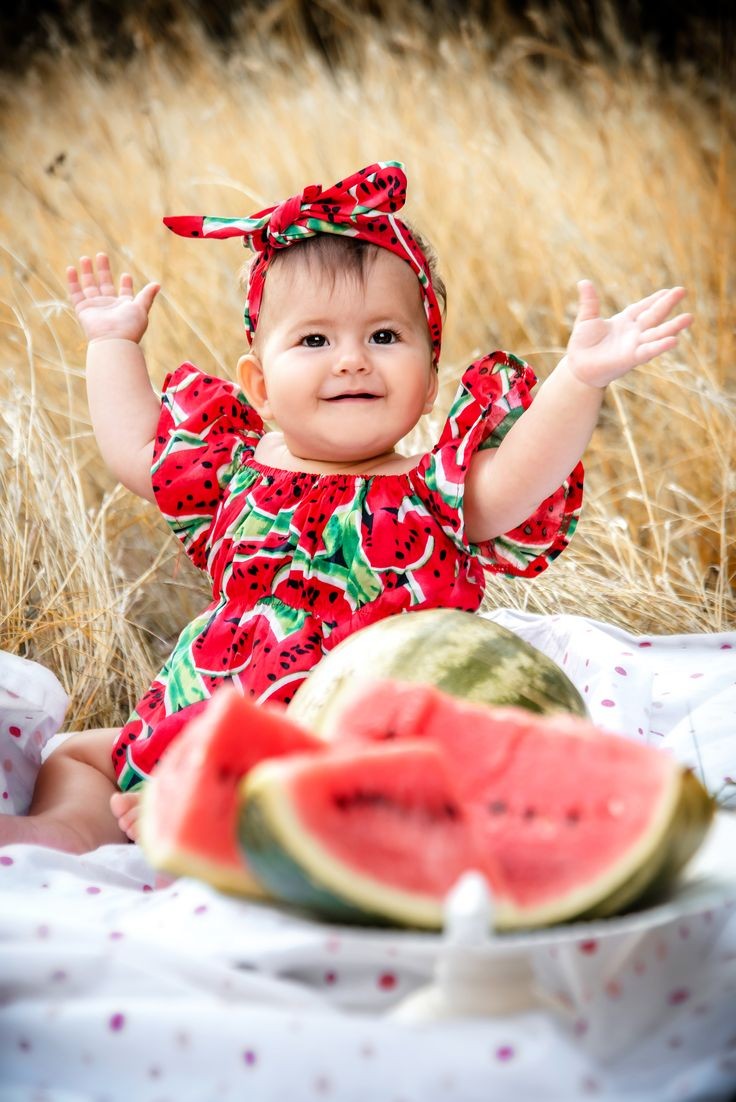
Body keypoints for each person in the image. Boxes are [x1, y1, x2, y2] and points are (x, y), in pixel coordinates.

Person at [0, 161, 691, 854]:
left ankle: (228, 815)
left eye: (384, 336)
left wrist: (580, 379)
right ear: (259, 386)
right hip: (207, 709)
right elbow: (133, 448)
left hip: (356, 733)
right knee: (83, 755)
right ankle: (65, 829)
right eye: (314, 340)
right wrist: (112, 342)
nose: (352, 360)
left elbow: (525, 472)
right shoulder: (234, 470)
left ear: (430, 381)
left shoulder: (436, 493)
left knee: (331, 777)